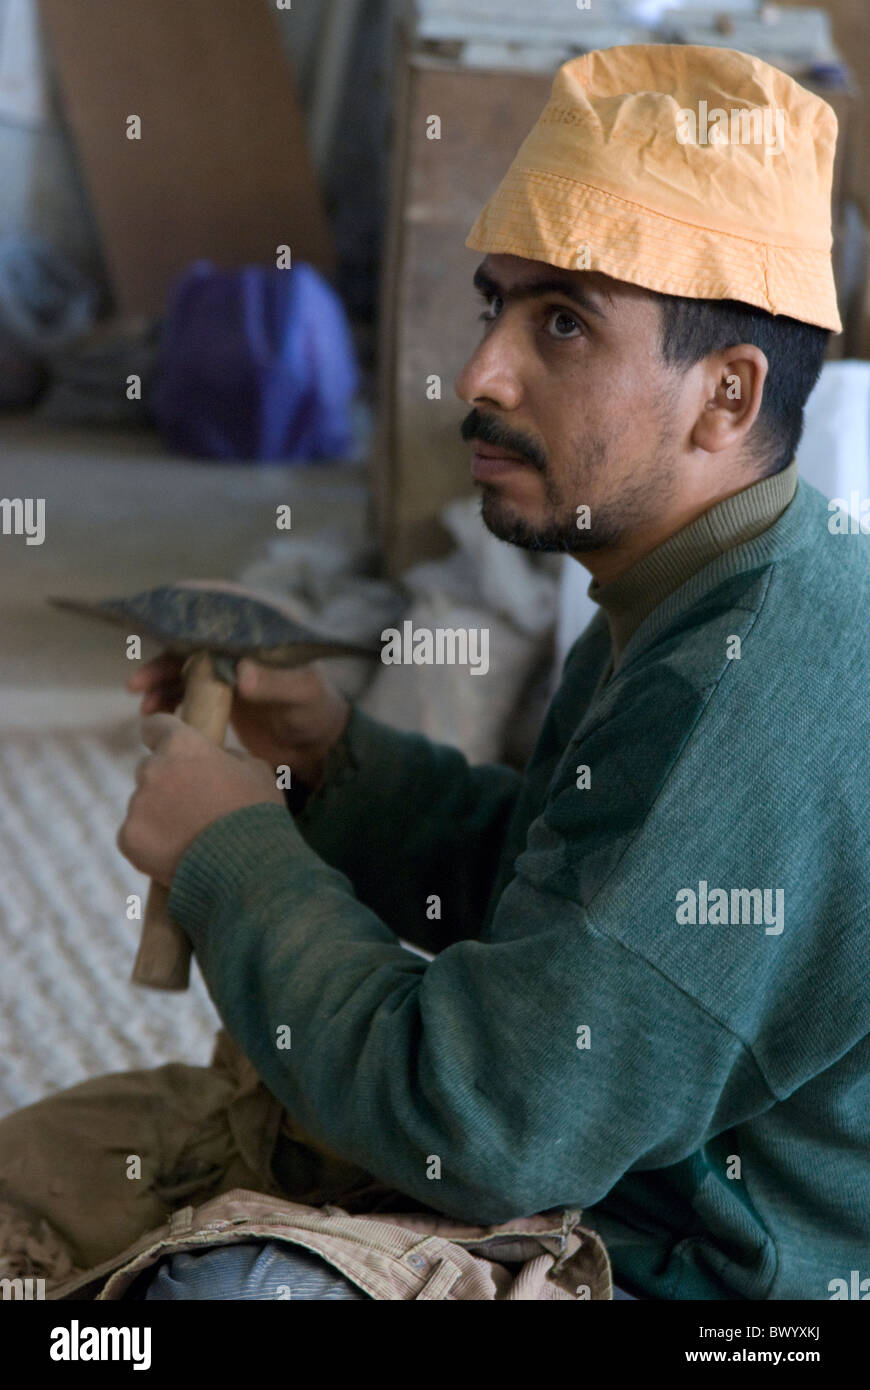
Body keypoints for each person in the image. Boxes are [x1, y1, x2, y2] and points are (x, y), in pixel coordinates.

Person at [1, 43, 866, 1301]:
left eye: (562, 322)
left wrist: (233, 855)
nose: (479, 375)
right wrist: (327, 756)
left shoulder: (744, 691)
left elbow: (484, 1125)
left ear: (724, 397)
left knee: (207, 1298)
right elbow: (563, 907)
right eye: (495, 305)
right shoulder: (695, 585)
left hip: (692, 1267)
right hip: (600, 1164)